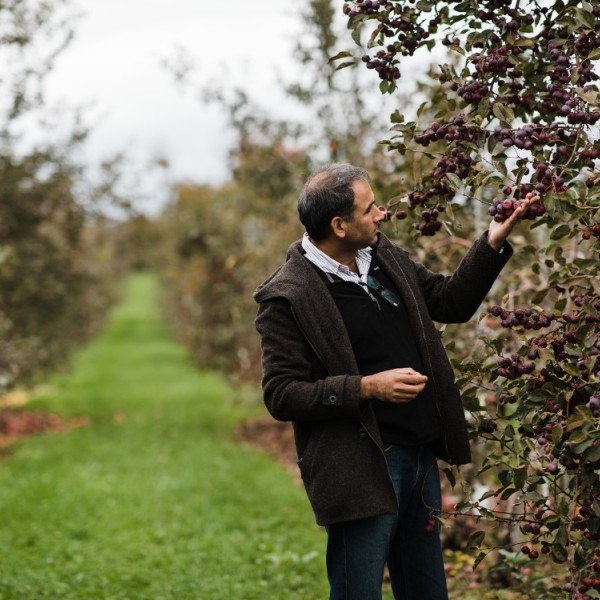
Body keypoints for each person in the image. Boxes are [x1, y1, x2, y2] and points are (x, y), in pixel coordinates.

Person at [253, 163, 531, 600]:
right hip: (360, 468)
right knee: (357, 592)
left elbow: (449, 301)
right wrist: (365, 387)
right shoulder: (288, 296)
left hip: (418, 456)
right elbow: (281, 394)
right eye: (370, 208)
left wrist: (493, 239)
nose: (382, 213)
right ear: (339, 225)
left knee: (426, 591)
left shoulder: (385, 259)